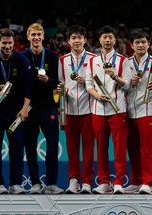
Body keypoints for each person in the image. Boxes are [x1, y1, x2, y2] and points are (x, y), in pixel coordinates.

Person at [0, 28, 31, 195]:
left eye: (10, 43)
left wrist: (25, 109)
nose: (8, 46)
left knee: (17, 146)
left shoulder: (21, 60)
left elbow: (28, 87)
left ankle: (16, 183)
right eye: (4, 43)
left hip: (16, 112)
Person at [85, 25, 131, 194]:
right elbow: (89, 84)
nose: (107, 40)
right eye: (104, 37)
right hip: (98, 110)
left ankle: (118, 182)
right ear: (100, 40)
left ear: (114, 40)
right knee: (101, 149)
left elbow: (128, 85)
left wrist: (115, 77)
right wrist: (96, 96)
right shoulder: (92, 61)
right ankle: (104, 182)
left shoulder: (123, 60)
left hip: (118, 110)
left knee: (119, 149)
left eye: (110, 37)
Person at [21, 23, 63, 194]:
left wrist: (49, 82)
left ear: (43, 37)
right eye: (33, 34)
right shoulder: (22, 56)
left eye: (39, 34)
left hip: (48, 106)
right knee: (30, 147)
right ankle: (35, 184)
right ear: (28, 37)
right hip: (29, 108)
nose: (36, 37)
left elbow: (57, 82)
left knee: (52, 146)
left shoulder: (52, 56)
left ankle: (51, 184)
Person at [57, 25, 96, 194]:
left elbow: (100, 83)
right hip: (70, 109)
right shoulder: (62, 60)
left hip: (89, 108)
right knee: (72, 147)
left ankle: (87, 181)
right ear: (68, 41)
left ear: (85, 40)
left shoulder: (94, 59)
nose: (77, 41)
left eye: (80, 37)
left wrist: (87, 83)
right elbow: (60, 83)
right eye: (73, 38)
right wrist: (61, 91)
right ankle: (73, 180)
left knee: (88, 147)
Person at [123, 29, 152, 194]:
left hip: (148, 110)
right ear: (131, 45)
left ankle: (148, 182)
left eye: (143, 42)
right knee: (131, 148)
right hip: (128, 111)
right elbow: (121, 85)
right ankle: (136, 181)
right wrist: (129, 82)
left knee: (147, 149)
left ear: (148, 44)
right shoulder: (126, 63)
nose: (140, 45)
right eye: (137, 42)